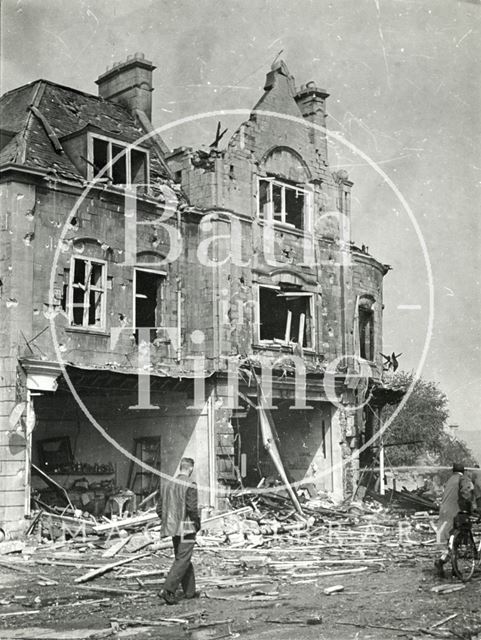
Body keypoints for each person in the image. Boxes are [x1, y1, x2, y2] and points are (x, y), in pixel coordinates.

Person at [157, 457, 201, 604]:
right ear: (190, 469)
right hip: (187, 527)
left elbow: (159, 509)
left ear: (181, 467)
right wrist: (197, 524)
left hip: (173, 527)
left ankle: (190, 592)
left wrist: (169, 521)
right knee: (183, 558)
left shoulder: (167, 485)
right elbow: (192, 508)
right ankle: (168, 590)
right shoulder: (190, 484)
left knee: (183, 558)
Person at [434, 462, 474, 577]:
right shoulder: (462, 478)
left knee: (450, 541)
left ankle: (446, 564)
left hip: (443, 512)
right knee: (458, 538)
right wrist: (470, 506)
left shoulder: (450, 480)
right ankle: (448, 565)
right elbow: (465, 492)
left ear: (453, 471)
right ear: (464, 471)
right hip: (454, 513)